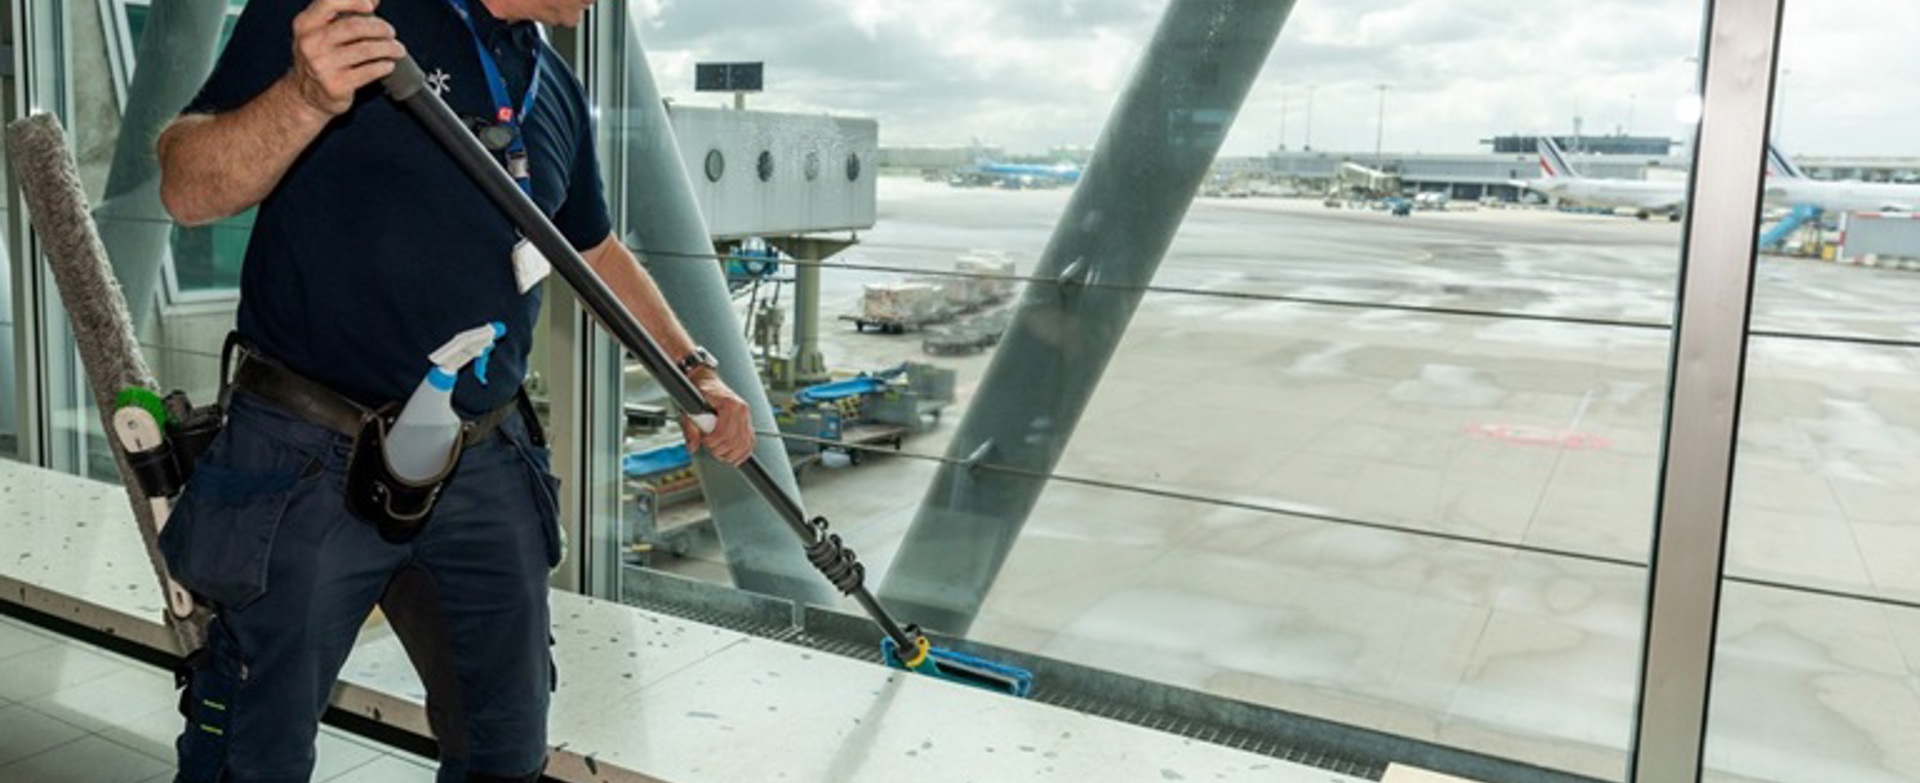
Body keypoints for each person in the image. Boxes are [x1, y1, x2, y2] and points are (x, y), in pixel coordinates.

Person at [153, 0, 754, 779]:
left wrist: (692, 368)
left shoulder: (553, 83)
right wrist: (303, 95)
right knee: (249, 753)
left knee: (506, 745)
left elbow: (593, 250)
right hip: (306, 451)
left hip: (481, 455)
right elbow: (184, 186)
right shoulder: (349, 17)